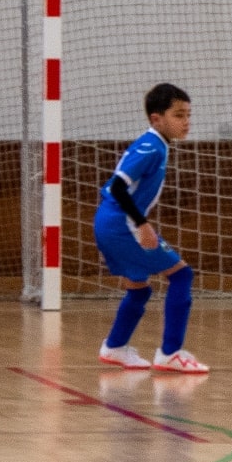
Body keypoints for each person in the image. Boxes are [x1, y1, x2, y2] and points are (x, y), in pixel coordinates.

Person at [93, 81, 207, 374]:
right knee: (181, 274)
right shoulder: (151, 146)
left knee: (139, 289)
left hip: (112, 222)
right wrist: (142, 224)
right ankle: (170, 353)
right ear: (156, 118)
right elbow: (118, 186)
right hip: (122, 224)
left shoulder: (154, 144)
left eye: (188, 115)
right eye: (179, 115)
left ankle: (115, 347)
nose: (186, 122)